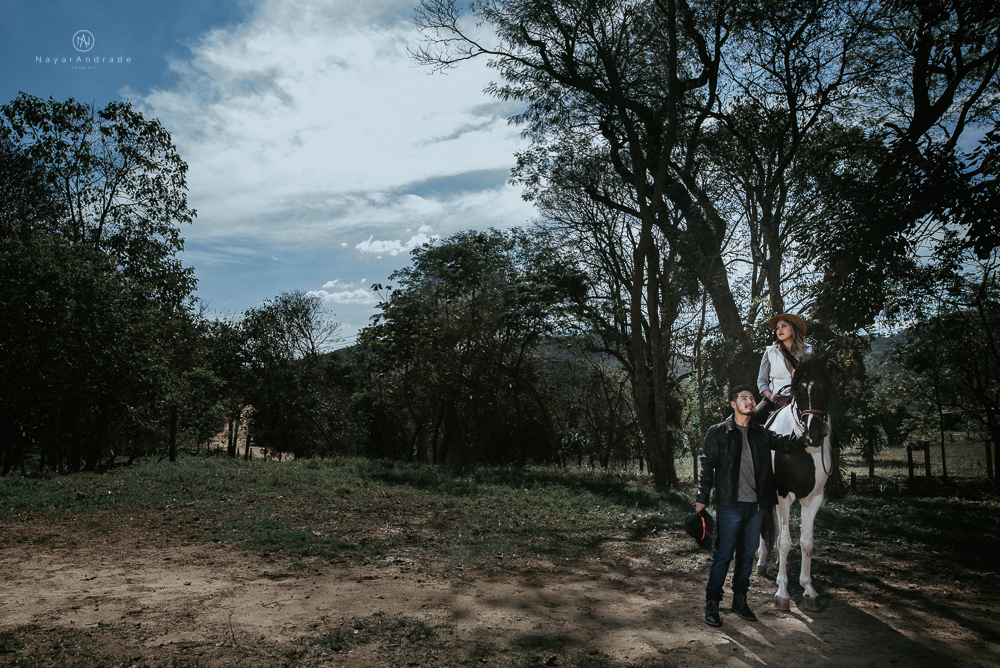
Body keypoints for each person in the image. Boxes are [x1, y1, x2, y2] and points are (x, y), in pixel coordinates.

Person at [696, 384, 812, 627]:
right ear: (733, 404)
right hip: (729, 505)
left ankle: (739, 600)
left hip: (756, 507)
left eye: (751, 398)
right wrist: (702, 497)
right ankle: (712, 603)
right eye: (744, 398)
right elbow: (707, 466)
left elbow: (786, 443)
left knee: (747, 556)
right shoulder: (718, 432)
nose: (750, 402)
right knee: (723, 556)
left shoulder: (761, 432)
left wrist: (809, 434)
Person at [754, 313, 851, 500]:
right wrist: (770, 396)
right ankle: (746, 477)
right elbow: (761, 381)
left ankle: (834, 482)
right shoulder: (770, 351)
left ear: (793, 328)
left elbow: (814, 377)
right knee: (748, 423)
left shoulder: (808, 351)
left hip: (803, 397)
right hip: (775, 396)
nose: (779, 330)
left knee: (832, 433)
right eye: (777, 328)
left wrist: (799, 393)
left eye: (783, 326)